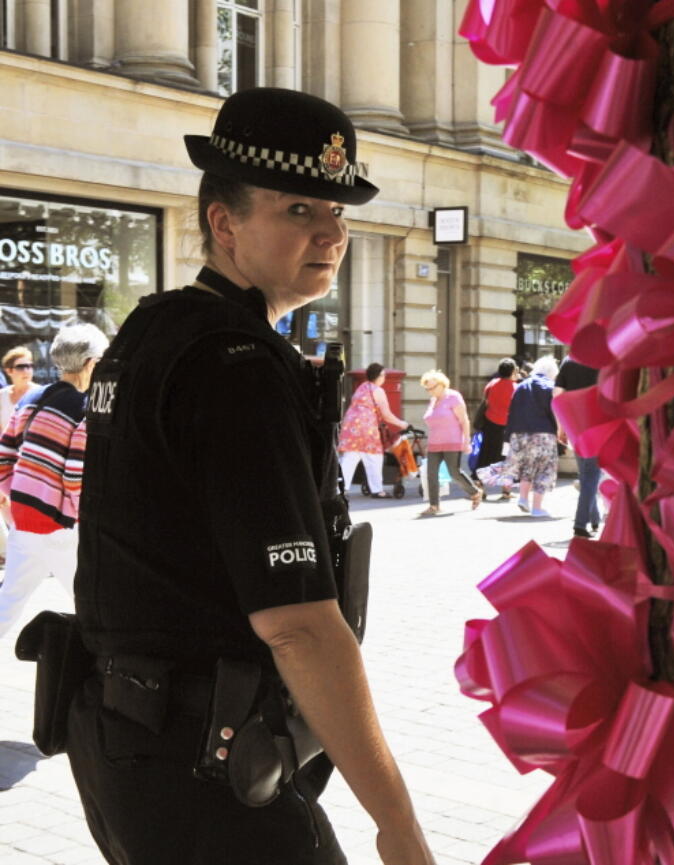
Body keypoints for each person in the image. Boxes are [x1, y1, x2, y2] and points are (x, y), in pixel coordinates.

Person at [63, 88, 435, 864]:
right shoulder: (235, 366)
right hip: (203, 764)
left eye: (339, 211)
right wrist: (396, 822)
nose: (332, 231)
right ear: (223, 222)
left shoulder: (152, 329)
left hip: (130, 742)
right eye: (300, 209)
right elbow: (297, 624)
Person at [0, 323, 107, 637]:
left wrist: (19, 494)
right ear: (90, 364)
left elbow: (4, 456)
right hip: (60, 527)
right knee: (94, 603)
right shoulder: (84, 409)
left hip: (24, 519)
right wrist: (81, 518)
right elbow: (76, 475)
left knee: (8, 601)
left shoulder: (32, 399)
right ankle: (105, 676)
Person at [338, 362, 409, 498]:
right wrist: (402, 424)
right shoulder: (378, 390)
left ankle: (340, 489)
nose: (384, 378)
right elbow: (386, 415)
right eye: (383, 375)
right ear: (377, 376)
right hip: (366, 429)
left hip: (350, 427)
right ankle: (377, 490)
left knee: (349, 458)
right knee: (374, 457)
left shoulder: (361, 387)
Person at [418, 369, 481, 516]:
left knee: (454, 472)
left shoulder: (454, 397)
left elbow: (464, 421)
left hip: (452, 441)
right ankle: (434, 506)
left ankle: (475, 492)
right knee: (431, 473)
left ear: (442, 384)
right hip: (435, 443)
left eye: (432, 387)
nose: (430, 391)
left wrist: (466, 441)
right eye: (427, 389)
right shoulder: (433, 400)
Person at [505, 355, 560, 517]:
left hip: (520, 433)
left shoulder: (520, 386)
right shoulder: (550, 386)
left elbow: (511, 411)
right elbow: (556, 411)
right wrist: (560, 431)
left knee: (527, 466)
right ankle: (537, 507)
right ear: (552, 372)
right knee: (544, 469)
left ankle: (523, 498)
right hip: (543, 433)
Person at [553, 356, 601, 538]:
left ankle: (594, 517)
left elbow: (557, 394)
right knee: (591, 476)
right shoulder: (605, 359)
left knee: (587, 475)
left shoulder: (568, 361)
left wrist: (561, 426)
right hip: (598, 424)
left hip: (575, 425)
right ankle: (580, 524)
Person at [0, 345, 38, 564]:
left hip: (33, 463)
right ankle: (12, 554)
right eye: (21, 366)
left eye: (30, 365)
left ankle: (26, 555)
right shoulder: (2, 397)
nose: (27, 370)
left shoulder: (41, 394)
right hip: (6, 462)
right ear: (9, 371)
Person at [475, 358, 516, 476]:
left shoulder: (491, 384)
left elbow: (486, 401)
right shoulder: (515, 387)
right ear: (512, 371)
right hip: (507, 426)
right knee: (506, 455)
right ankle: (506, 489)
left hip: (490, 423)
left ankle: (479, 482)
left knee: (485, 453)